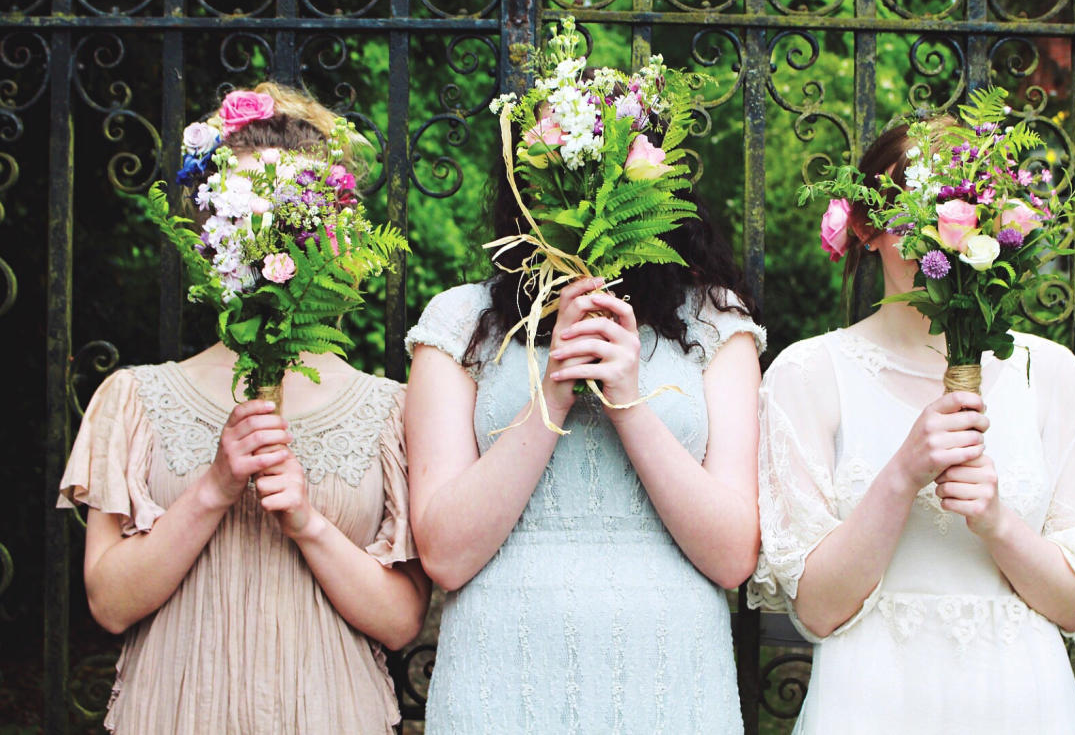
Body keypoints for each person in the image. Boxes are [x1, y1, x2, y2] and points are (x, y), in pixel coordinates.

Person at [58, 82, 429, 735]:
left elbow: (401, 621)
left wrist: (309, 521)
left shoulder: (387, 410)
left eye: (295, 207)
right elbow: (109, 603)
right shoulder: (135, 398)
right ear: (210, 228)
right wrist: (214, 487)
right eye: (249, 205)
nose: (273, 228)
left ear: (335, 228)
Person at [749, 121, 1075, 734]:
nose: (937, 242)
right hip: (870, 700)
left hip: (1022, 701)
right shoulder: (807, 375)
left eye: (954, 216)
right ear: (866, 229)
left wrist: (998, 524)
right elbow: (817, 612)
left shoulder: (1049, 374)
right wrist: (901, 476)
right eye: (911, 216)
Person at [405, 120, 765, 732]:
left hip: (669, 681)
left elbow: (733, 557)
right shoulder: (462, 320)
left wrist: (628, 401)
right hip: (502, 680)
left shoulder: (715, 320)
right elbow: (443, 554)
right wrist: (553, 389)